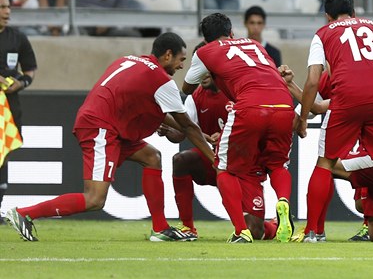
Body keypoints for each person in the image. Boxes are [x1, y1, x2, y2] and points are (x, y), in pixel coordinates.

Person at [4, 32, 215, 242]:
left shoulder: (129, 60)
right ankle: (24, 213)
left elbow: (174, 119)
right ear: (168, 55)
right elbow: (186, 125)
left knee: (152, 157)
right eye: (181, 59)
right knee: (94, 199)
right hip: (101, 128)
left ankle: (160, 228)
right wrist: (214, 160)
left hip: (107, 125)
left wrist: (202, 135)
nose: (181, 66)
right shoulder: (161, 80)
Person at [296, 0, 373, 243]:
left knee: (325, 163)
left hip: (345, 99)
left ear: (327, 16)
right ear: (353, 13)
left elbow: (312, 81)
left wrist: (304, 117)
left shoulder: (323, 33)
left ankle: (313, 231)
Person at [183, 13, 295, 243]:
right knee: (277, 164)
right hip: (284, 104)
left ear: (206, 40)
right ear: (232, 32)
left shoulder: (205, 52)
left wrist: (209, 67)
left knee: (223, 168)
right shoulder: (254, 44)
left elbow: (187, 86)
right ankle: (282, 201)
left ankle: (240, 230)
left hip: (250, 106)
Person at [160, 68, 280, 241]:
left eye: (204, 70)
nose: (200, 76)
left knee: (255, 232)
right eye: (196, 71)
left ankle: (274, 226)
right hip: (215, 161)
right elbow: (182, 133)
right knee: (181, 160)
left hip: (245, 167)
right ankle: (188, 227)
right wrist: (168, 131)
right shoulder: (195, 98)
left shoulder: (241, 91)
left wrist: (226, 135)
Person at [0, 0, 37, 224]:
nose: (7, 12)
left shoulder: (18, 38)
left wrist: (20, 83)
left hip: (9, 109)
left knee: (3, 158)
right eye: (2, 8)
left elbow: (30, 69)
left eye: (8, 8)